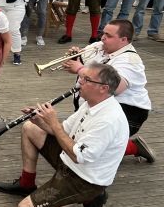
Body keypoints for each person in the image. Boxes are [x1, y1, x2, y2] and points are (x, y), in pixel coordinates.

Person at [0, 63, 128, 207]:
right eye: (81, 78)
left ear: (103, 88)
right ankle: (26, 184)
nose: (79, 82)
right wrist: (40, 122)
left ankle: (89, 196)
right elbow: (63, 130)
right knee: (31, 128)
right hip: (69, 160)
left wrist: (53, 122)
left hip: (84, 179)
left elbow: (79, 156)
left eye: (86, 80)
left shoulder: (109, 120)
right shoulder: (91, 103)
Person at [62, 20, 154, 164]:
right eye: (103, 33)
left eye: (109, 36)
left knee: (85, 146)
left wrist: (79, 69)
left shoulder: (131, 60)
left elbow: (114, 88)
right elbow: (84, 66)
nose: (103, 38)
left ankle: (133, 147)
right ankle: (129, 146)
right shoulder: (98, 46)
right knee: (76, 139)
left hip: (129, 111)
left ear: (124, 40)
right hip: (97, 105)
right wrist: (75, 58)